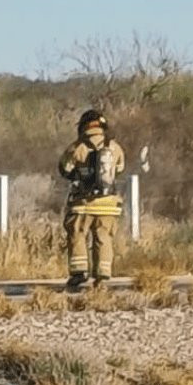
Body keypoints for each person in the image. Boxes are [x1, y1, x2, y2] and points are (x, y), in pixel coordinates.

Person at [57, 109, 126, 290]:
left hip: (83, 204)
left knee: (77, 235)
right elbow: (119, 169)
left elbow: (65, 169)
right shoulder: (115, 147)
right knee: (104, 238)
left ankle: (79, 273)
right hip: (109, 204)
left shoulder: (77, 147)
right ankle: (102, 277)